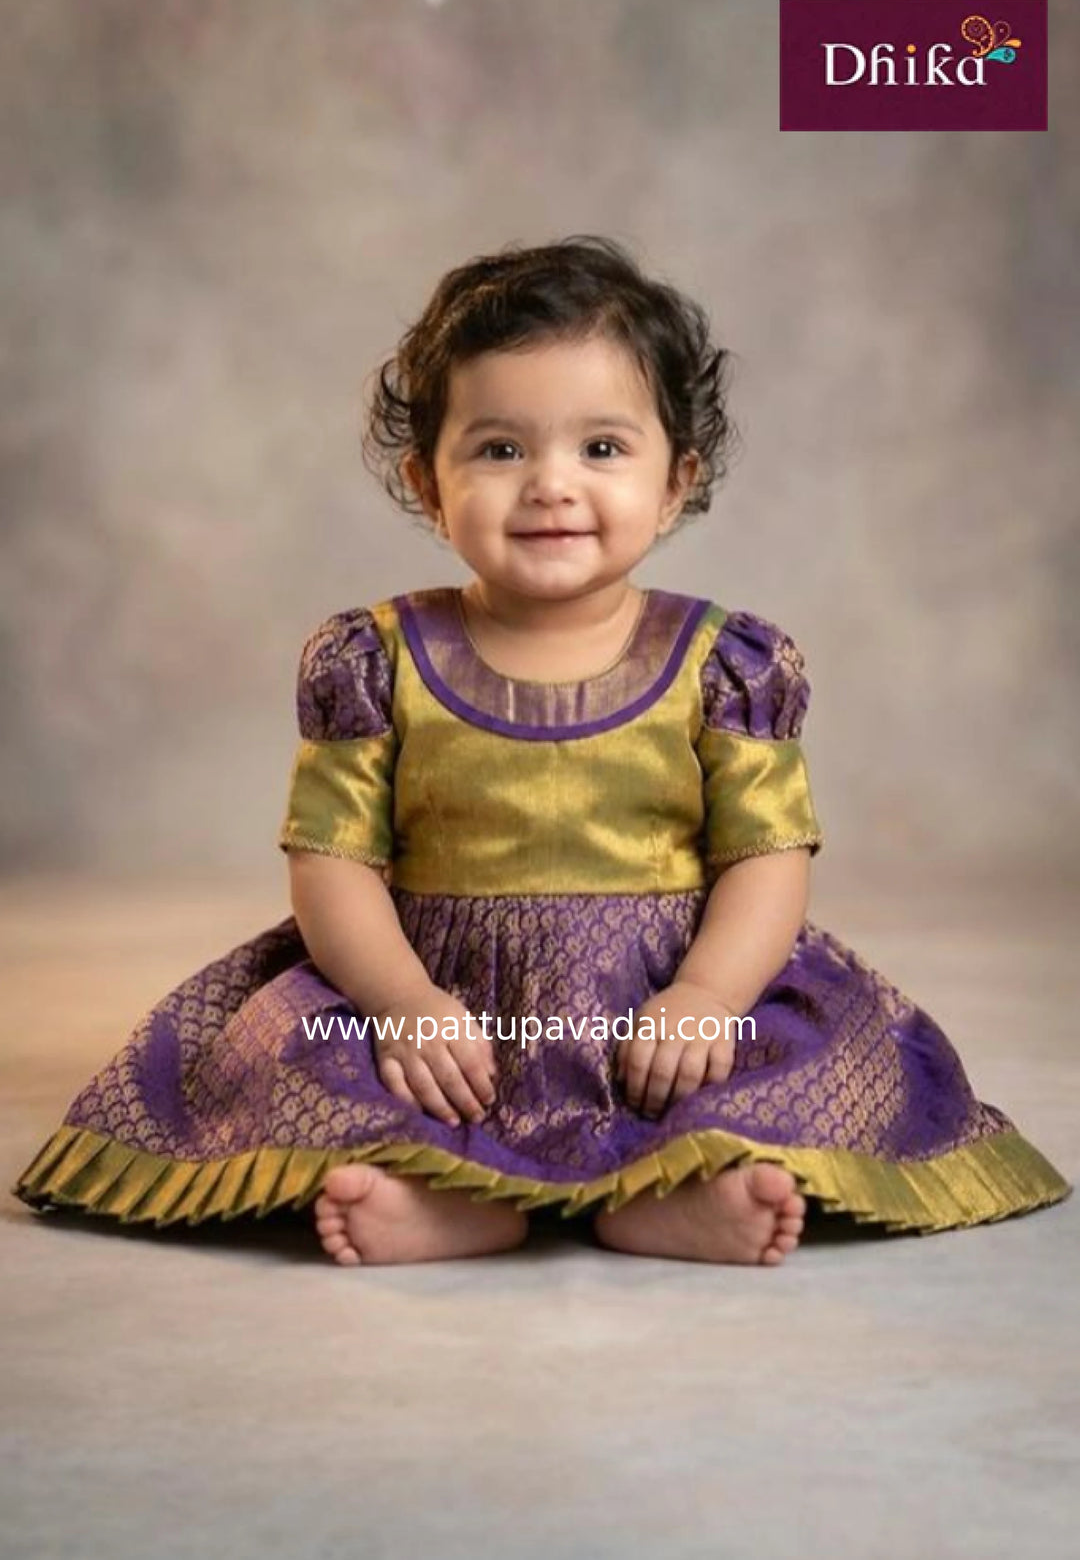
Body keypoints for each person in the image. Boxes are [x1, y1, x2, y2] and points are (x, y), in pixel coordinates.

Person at [14, 235, 1069, 1268]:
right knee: (289, 1059)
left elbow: (766, 860)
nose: (552, 484)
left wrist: (705, 997)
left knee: (815, 1059)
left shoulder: (723, 662)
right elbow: (330, 863)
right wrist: (405, 1006)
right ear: (429, 484)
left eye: (602, 448)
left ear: (674, 481)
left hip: (661, 1017)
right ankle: (443, 1199)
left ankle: (675, 1194)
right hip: (447, 1011)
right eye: (501, 448)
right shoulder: (376, 659)